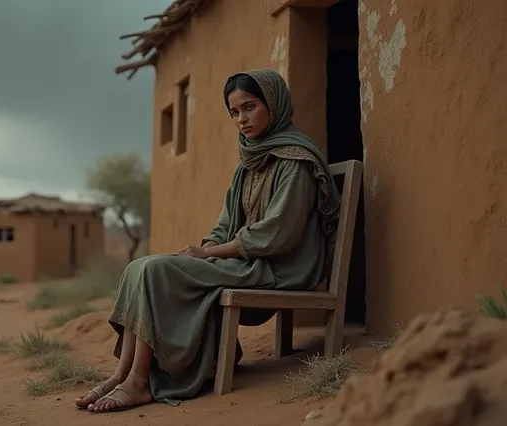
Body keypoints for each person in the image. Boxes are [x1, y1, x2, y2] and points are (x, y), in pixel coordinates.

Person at [74, 69, 341, 414]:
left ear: (273, 105)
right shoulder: (248, 163)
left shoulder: (296, 162)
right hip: (248, 262)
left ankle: (139, 382)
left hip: (282, 267)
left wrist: (210, 253)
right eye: (234, 112)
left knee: (157, 271)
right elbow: (226, 224)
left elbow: (278, 235)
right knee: (139, 266)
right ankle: (121, 374)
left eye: (250, 107)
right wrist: (203, 250)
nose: (242, 119)